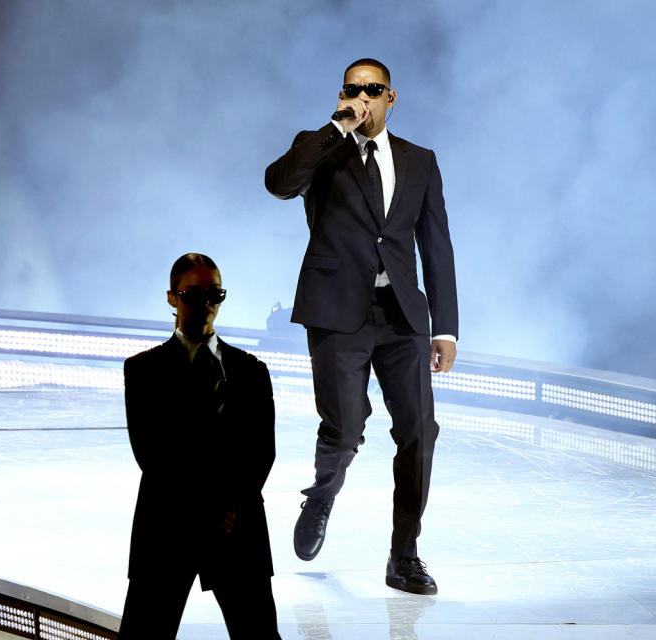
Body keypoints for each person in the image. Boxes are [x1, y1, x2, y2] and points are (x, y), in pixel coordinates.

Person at [264, 58, 458, 595]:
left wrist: (446, 327)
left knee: (420, 433)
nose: (363, 97)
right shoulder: (323, 149)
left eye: (372, 90)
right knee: (345, 427)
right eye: (353, 89)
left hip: (401, 316)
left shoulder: (420, 161)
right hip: (337, 311)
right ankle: (323, 494)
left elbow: (435, 245)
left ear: (391, 97)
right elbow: (279, 184)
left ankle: (405, 556)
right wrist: (335, 128)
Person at [119, 253, 281, 639]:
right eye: (193, 294)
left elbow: (262, 452)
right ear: (172, 298)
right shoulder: (142, 371)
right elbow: (152, 454)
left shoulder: (252, 371)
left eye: (215, 294)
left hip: (236, 527)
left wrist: (231, 506)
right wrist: (212, 509)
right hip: (168, 530)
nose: (206, 303)